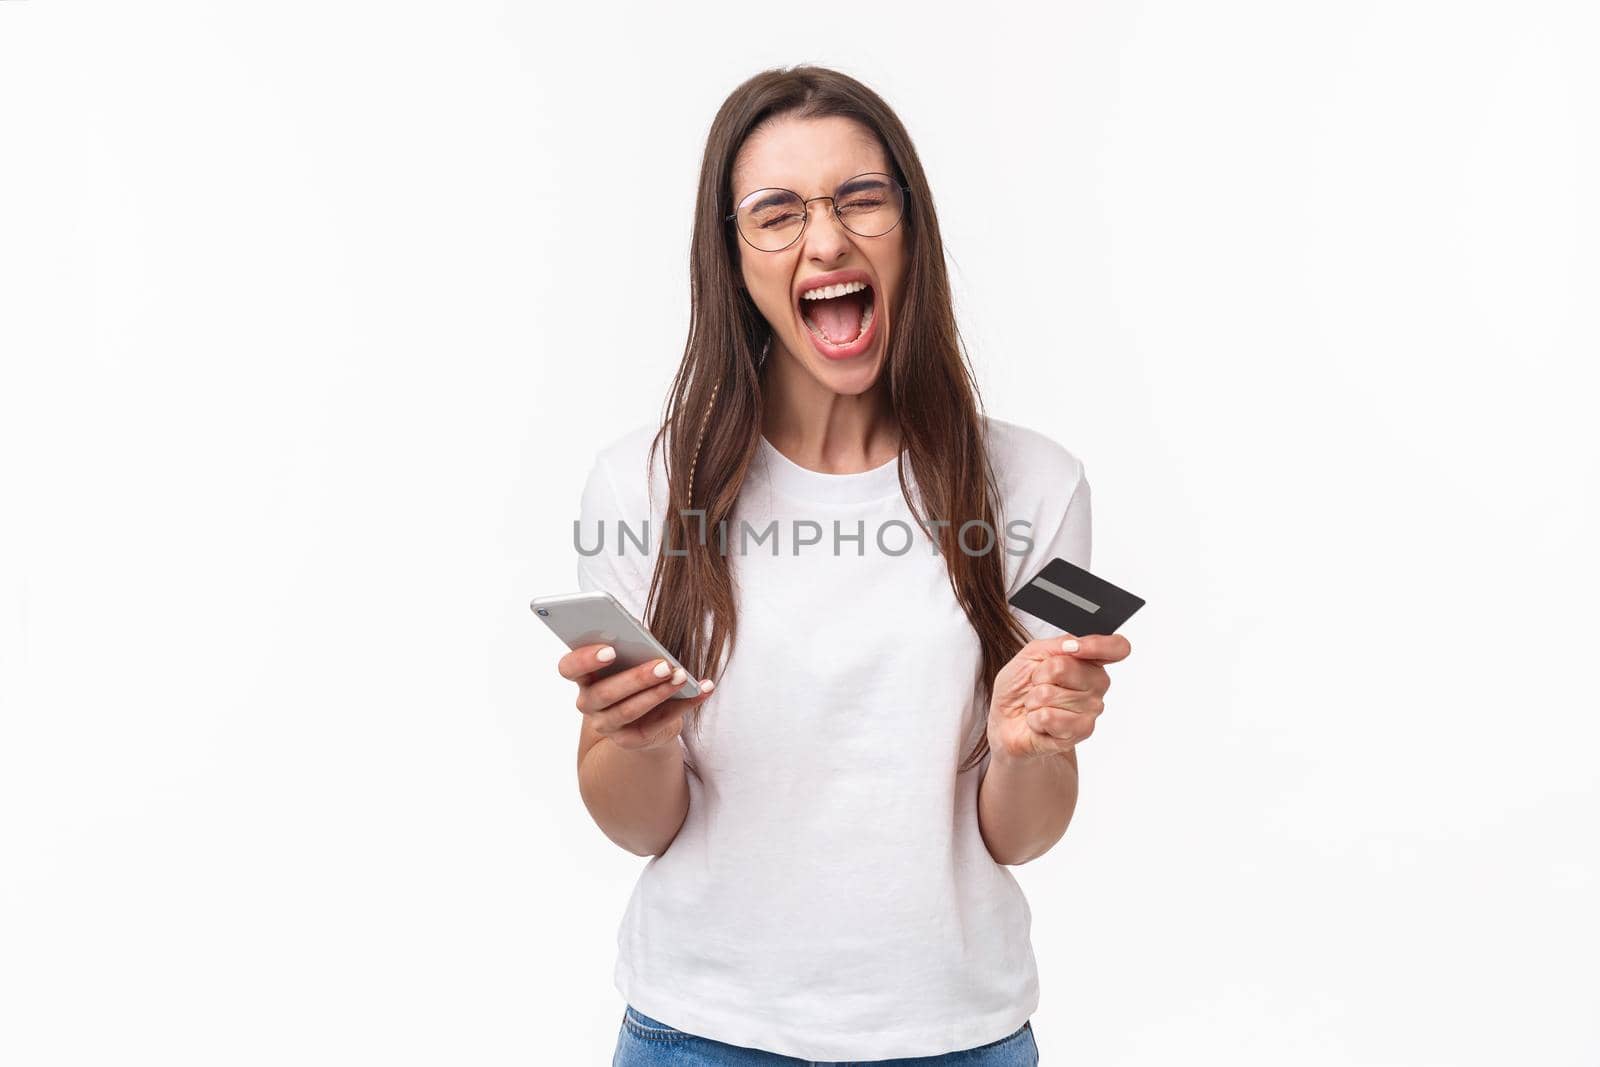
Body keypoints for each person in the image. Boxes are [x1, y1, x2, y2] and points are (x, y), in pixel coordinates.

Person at [559, 64, 1133, 1066]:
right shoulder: (636, 487)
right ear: (732, 258)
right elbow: (636, 823)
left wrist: (1030, 747)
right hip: (700, 1034)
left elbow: (1026, 831)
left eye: (860, 198)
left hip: (958, 1034)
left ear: (911, 228)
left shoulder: (1042, 486)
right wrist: (637, 741)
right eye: (775, 213)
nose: (826, 238)